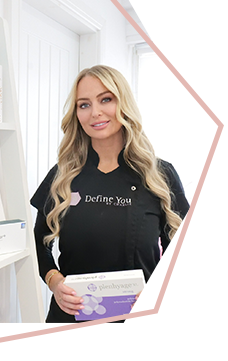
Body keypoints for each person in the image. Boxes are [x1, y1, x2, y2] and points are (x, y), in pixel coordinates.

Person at [30, 65, 190, 323]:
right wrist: (55, 282)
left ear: (123, 103)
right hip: (71, 317)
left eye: (106, 99)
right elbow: (38, 242)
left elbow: (182, 250)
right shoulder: (62, 175)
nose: (95, 112)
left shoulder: (160, 174)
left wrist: (160, 292)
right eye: (84, 105)